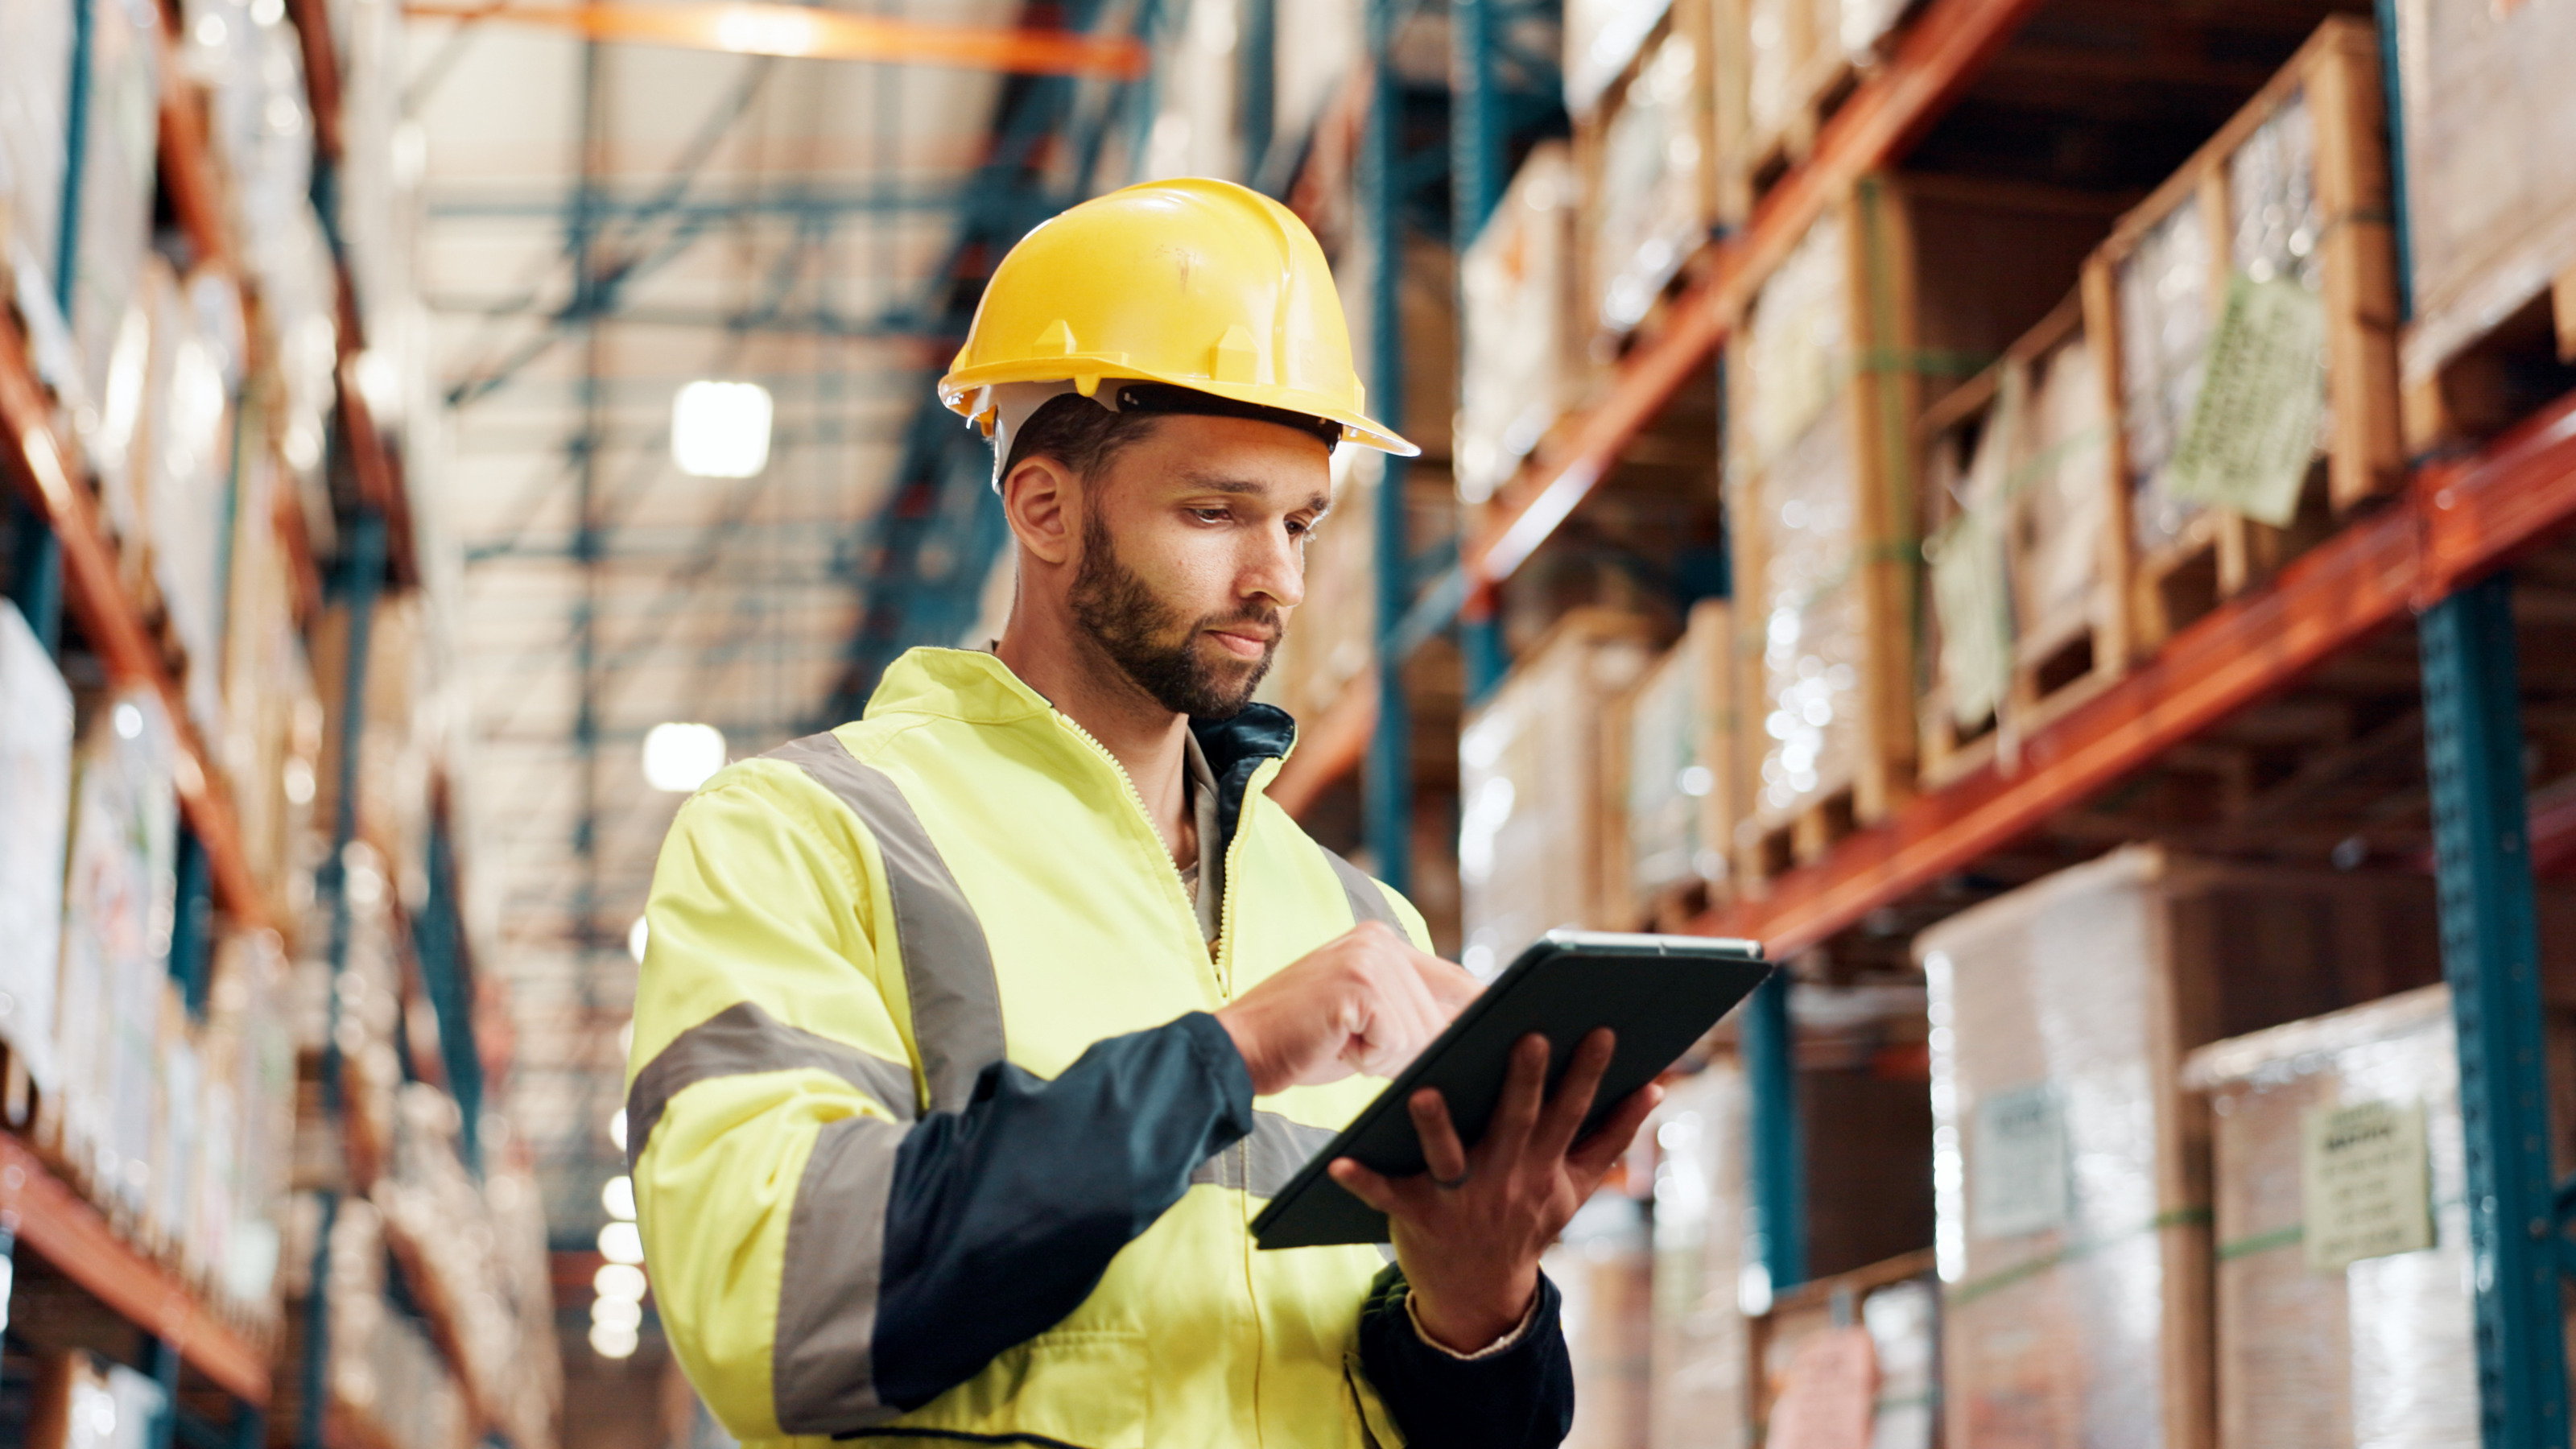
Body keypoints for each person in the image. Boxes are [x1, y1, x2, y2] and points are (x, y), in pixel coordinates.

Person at [625, 177, 1662, 1448]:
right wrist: (1232, 1057)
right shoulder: (805, 839)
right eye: (1214, 512)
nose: (1275, 577)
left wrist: (1477, 1304)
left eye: (1300, 521)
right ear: (1045, 508)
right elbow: (774, 1305)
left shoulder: (1353, 915)